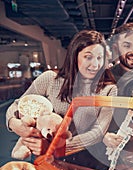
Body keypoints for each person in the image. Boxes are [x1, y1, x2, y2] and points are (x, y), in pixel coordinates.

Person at [6, 30, 117, 159]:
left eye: (99, 58)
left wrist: (55, 146)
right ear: (74, 56)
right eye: (88, 57)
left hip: (81, 158)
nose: (95, 64)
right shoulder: (50, 79)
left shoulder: (108, 90)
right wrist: (14, 124)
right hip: (44, 157)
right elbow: (17, 105)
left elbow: (98, 132)